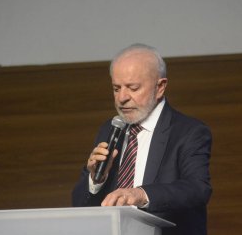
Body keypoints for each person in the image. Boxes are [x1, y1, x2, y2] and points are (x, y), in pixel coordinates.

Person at [72, 43, 212, 235]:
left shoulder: (189, 132)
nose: (121, 98)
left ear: (160, 87)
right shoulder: (109, 129)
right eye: (116, 88)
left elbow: (197, 189)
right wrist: (95, 181)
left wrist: (141, 194)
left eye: (133, 88)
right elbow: (79, 204)